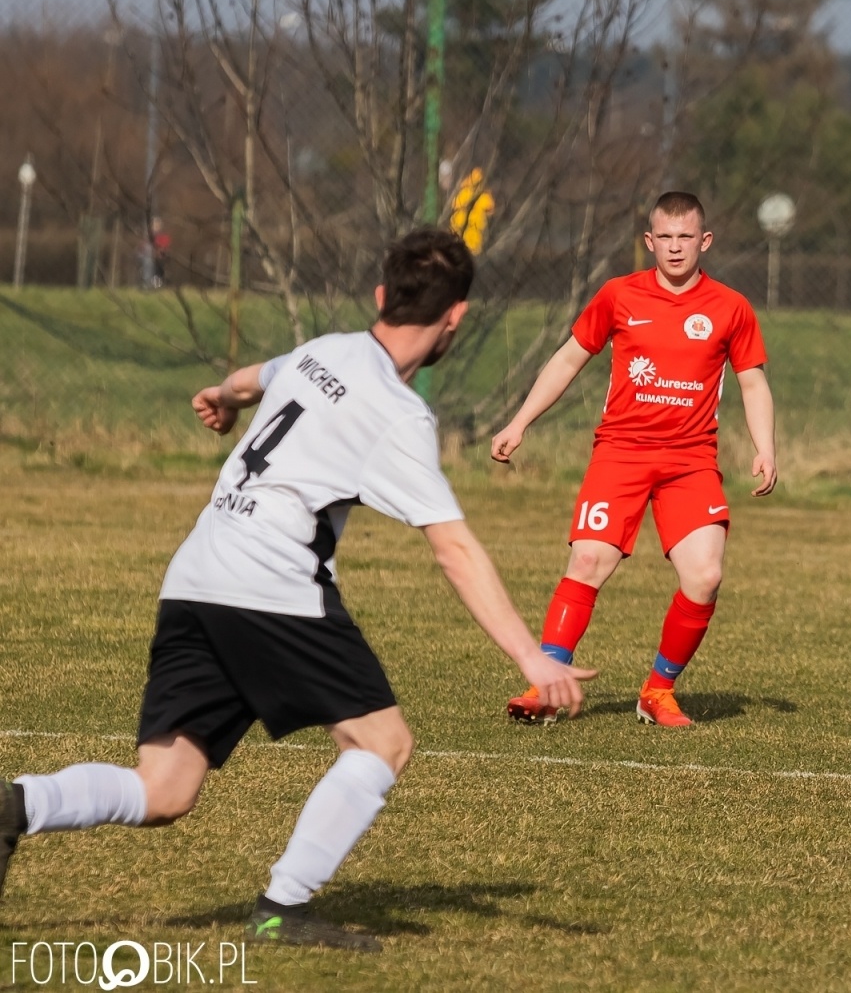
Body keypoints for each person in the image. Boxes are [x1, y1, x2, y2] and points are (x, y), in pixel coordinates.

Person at [0, 229, 595, 950]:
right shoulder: (396, 413)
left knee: (165, 789)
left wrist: (222, 396)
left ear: (381, 296)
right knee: (382, 741)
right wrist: (532, 658)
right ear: (456, 318)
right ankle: (283, 908)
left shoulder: (325, 350)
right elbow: (454, 549)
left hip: (198, 574)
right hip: (271, 582)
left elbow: (255, 377)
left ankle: (17, 806)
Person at [492, 191, 777, 728]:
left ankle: (657, 692)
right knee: (588, 561)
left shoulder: (730, 307)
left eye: (685, 237)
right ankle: (547, 685)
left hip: (691, 461)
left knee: (705, 576)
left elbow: (753, 381)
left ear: (704, 241)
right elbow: (571, 356)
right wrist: (519, 421)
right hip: (620, 454)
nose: (674, 248)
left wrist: (765, 446)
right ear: (649, 242)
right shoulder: (619, 295)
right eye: (664, 238)